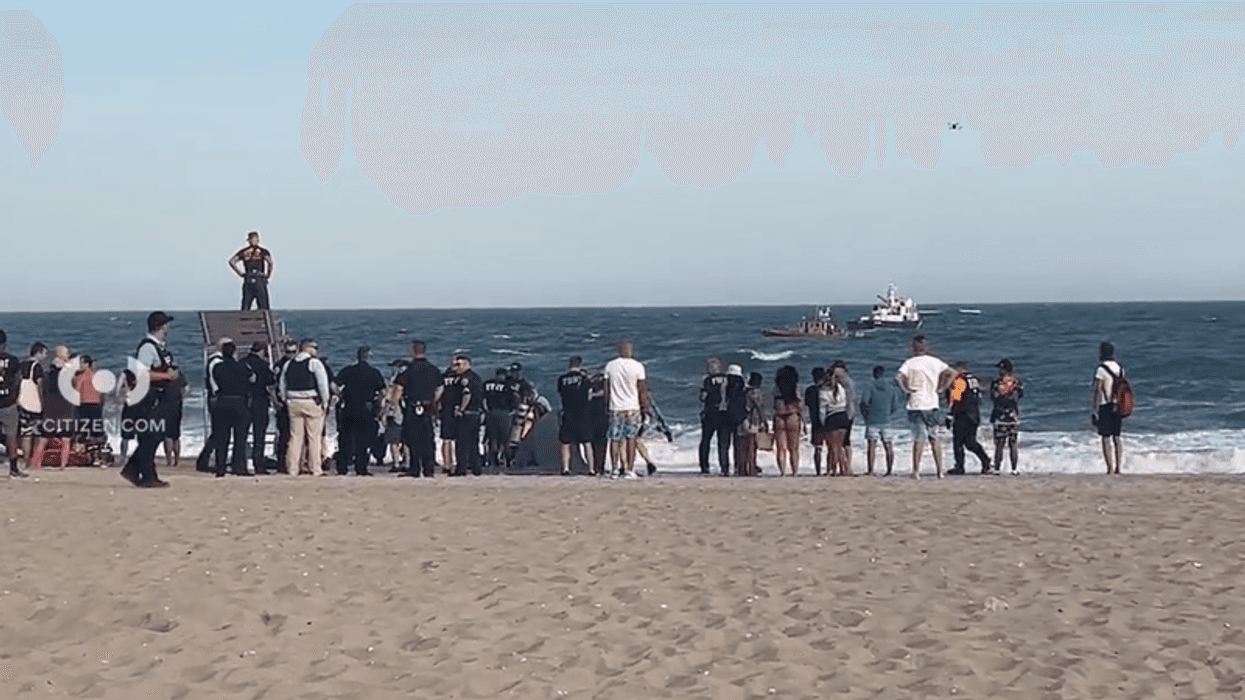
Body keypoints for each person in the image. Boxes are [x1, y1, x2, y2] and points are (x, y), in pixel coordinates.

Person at [118, 312, 179, 488]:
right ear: (161, 326)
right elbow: (141, 373)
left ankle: (138, 471)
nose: (170, 327)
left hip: (158, 397)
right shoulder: (147, 347)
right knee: (151, 436)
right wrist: (165, 375)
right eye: (167, 324)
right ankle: (145, 475)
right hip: (147, 398)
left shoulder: (159, 347)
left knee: (154, 436)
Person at [895, 335, 955, 480]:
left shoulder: (910, 363)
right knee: (934, 438)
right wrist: (942, 388)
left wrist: (905, 389)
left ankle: (916, 471)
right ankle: (940, 471)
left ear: (914, 347)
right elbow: (952, 373)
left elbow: (897, 377)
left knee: (919, 439)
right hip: (932, 404)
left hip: (916, 404)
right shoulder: (935, 361)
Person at [279, 338, 330, 476]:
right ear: (307, 348)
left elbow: (282, 385)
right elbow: (322, 385)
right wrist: (325, 402)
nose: (316, 350)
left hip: (293, 402)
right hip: (311, 401)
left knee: (295, 437)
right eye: (314, 347)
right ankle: (315, 468)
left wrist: (285, 399)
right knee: (314, 437)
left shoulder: (288, 364)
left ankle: (293, 468)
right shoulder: (314, 363)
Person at [393, 340, 443, 478]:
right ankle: (429, 469)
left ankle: (415, 468)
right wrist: (434, 400)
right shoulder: (434, 369)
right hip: (428, 407)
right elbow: (440, 388)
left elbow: (399, 389)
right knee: (428, 438)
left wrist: (393, 402)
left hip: (413, 407)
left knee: (412, 439)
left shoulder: (408, 370)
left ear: (413, 351)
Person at [335, 346, 387, 476]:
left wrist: (340, 395)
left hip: (349, 407)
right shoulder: (374, 372)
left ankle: (342, 467)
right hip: (366, 408)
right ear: (368, 357)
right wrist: (380, 406)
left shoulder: (348, 370)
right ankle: (361, 468)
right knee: (363, 441)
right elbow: (383, 392)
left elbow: (333, 384)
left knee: (346, 439)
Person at [603, 339, 648, 479]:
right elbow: (641, 389)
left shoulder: (610, 366)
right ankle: (629, 469)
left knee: (615, 439)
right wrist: (644, 407)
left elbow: (606, 389)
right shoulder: (637, 366)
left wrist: (606, 404)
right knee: (631, 439)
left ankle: (615, 468)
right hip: (632, 407)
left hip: (615, 407)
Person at [208, 338, 253, 477]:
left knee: (222, 437)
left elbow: (213, 385)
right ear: (235, 352)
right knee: (240, 438)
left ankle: (220, 467)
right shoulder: (244, 367)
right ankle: (239, 466)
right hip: (240, 402)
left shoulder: (217, 367)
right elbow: (252, 380)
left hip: (222, 401)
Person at [946, 361, 991, 475]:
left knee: (958, 442)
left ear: (959, 369)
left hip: (963, 415)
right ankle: (985, 460)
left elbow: (955, 398)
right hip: (974, 415)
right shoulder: (974, 380)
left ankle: (960, 466)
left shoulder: (960, 381)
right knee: (970, 442)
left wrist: (949, 414)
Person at [858, 365, 902, 476]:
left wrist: (866, 415)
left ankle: (871, 470)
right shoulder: (890, 387)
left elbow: (864, 402)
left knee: (872, 445)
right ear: (883, 374)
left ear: (874, 374)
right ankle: (889, 470)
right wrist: (888, 413)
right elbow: (895, 406)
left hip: (872, 419)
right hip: (886, 420)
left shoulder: (869, 386)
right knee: (888, 445)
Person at [241, 342, 276, 472]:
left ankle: (240, 462)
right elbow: (271, 381)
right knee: (259, 435)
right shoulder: (263, 365)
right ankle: (258, 463)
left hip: (244, 401)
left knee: (242, 435)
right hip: (260, 402)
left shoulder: (242, 362)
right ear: (262, 351)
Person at [1092, 342, 1125, 475]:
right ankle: (1119, 468)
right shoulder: (1120, 368)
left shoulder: (1101, 369)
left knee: (1106, 437)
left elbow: (1097, 389)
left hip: (1105, 405)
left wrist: (1094, 408)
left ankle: (1109, 468)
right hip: (1118, 405)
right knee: (1117, 437)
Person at [557, 356, 593, 475]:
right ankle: (591, 469)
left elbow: (561, 393)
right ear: (580, 365)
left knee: (565, 442)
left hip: (568, 412)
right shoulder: (584, 378)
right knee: (586, 442)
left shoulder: (562, 379)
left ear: (569, 365)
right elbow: (589, 395)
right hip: (583, 412)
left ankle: (566, 468)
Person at [448, 354, 484, 476]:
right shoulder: (476, 377)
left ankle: (461, 469)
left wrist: (461, 409)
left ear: (467, 365)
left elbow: (467, 394)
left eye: (459, 364)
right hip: (476, 414)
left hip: (466, 415)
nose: (456, 367)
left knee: (462, 443)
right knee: (473, 443)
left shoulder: (465, 378)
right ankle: (476, 468)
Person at [697, 357, 732, 476]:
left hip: (711, 413)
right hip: (722, 413)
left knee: (707, 441)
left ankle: (705, 466)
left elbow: (703, 397)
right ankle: (724, 467)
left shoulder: (707, 380)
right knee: (722, 442)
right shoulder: (727, 378)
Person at [17, 343, 48, 472]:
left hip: (21, 403)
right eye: (44, 353)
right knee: (39, 434)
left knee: (25, 434)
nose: (46, 356)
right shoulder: (37, 367)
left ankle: (25, 460)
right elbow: (39, 387)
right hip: (34, 405)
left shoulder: (21, 365)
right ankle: (34, 461)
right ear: (39, 352)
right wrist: (44, 402)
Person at [989, 358, 1024, 474]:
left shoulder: (996, 383)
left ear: (1005, 369)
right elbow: (1020, 396)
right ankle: (1014, 469)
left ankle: (997, 468)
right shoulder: (1017, 383)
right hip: (1014, 416)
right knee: (1013, 444)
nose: (999, 371)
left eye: (1000, 368)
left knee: (999, 443)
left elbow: (993, 398)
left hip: (1000, 416)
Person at [735, 371, 773, 477]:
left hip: (741, 419)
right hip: (751, 421)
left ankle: (741, 469)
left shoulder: (743, 391)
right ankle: (751, 469)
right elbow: (759, 408)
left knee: (742, 445)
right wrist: (764, 421)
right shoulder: (755, 392)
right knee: (751, 446)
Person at [821, 361, 855, 476]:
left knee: (836, 446)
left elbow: (822, 410)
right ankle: (844, 468)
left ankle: (836, 469)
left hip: (836, 417)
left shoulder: (825, 390)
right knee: (841, 446)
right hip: (844, 416)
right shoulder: (842, 386)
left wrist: (822, 423)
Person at [0, 331, 26, 477]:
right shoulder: (13, 361)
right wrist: (15, 397)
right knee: (12, 437)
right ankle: (14, 468)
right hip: (8, 403)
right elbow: (17, 380)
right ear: (5, 344)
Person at [228, 230, 274, 311]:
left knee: (246, 306)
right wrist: (268, 275)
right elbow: (270, 263)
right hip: (260, 278)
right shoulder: (263, 251)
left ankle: (244, 321)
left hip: (248, 279)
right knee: (264, 306)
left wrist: (241, 273)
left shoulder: (244, 252)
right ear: (258, 240)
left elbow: (232, 261)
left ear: (249, 241)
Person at [271, 338, 298, 470]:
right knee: (284, 434)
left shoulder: (300, 364)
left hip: (296, 403)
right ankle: (281, 462)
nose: (291, 355)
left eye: (293, 352)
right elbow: (274, 386)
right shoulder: (279, 365)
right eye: (288, 352)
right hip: (283, 405)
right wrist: (276, 402)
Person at [73, 355, 106, 465]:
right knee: (96, 433)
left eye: (81, 363)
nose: (80, 365)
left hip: (84, 406)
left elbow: (77, 392)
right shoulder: (96, 375)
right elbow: (101, 393)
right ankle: (97, 457)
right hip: (96, 406)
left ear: (86, 364)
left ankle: (88, 457)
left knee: (84, 432)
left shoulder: (80, 376)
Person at [773, 365, 803, 476]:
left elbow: (773, 403)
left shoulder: (776, 387)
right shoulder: (796, 387)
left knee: (781, 448)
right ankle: (794, 472)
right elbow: (801, 404)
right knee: (794, 448)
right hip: (793, 415)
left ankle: (783, 472)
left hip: (779, 416)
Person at [482, 368, 514, 469]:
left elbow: (481, 398)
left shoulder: (487, 384)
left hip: (490, 413)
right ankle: (508, 461)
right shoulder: (507, 385)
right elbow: (513, 399)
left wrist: (485, 410)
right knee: (505, 439)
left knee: (492, 438)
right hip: (503, 413)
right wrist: (512, 410)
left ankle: (493, 460)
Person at [438, 357, 459, 473]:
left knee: (446, 439)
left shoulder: (443, 376)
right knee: (455, 440)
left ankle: (447, 464)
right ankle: (452, 463)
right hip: (455, 410)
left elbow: (437, 392)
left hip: (445, 410)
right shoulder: (461, 377)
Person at [586, 370, 609, 476]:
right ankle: (600, 467)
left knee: (594, 443)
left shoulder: (590, 387)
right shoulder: (605, 389)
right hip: (603, 416)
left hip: (592, 417)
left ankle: (596, 467)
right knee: (602, 443)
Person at [804, 366, 826, 476]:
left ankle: (818, 472)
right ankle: (831, 468)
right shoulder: (828, 389)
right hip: (828, 420)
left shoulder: (810, 390)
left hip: (815, 421)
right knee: (832, 447)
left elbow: (807, 404)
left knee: (818, 448)